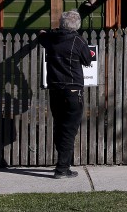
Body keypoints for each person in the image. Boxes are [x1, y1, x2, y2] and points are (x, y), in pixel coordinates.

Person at [39, 9, 92, 178]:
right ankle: (62, 169)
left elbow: (41, 36)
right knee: (69, 130)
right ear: (76, 25)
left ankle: (64, 165)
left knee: (59, 126)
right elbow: (87, 60)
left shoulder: (51, 39)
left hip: (55, 89)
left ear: (61, 23)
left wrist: (44, 33)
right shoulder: (78, 41)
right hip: (73, 90)